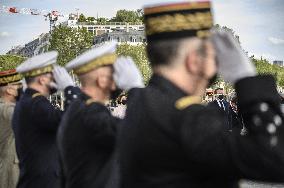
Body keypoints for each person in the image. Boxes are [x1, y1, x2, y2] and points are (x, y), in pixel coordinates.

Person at [118, 1, 284, 188]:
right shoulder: (190, 119)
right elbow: (277, 157)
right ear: (195, 62)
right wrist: (246, 79)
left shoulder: (141, 102)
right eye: (214, 55)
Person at [57, 42, 144, 188]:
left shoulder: (79, 107)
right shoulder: (92, 114)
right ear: (102, 80)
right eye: (114, 73)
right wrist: (136, 89)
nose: (117, 78)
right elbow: (138, 133)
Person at [12, 51, 80, 188]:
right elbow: (70, 120)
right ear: (42, 79)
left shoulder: (26, 102)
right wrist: (70, 89)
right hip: (44, 182)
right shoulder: (36, 104)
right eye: (52, 77)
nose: (56, 80)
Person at [0, 69, 22, 188]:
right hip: (10, 172)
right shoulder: (6, 110)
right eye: (18, 85)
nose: (21, 89)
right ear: (9, 90)